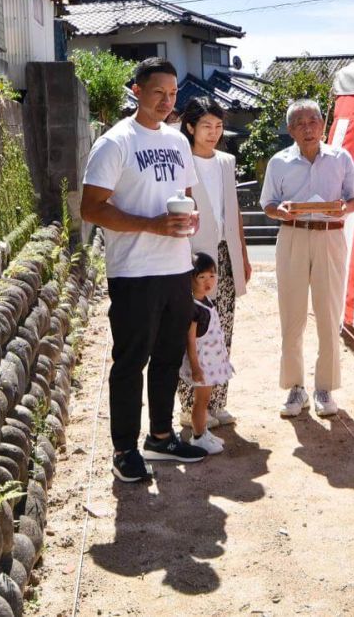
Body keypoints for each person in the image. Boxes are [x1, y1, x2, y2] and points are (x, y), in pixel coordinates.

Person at [80, 57, 210, 484]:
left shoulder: (176, 142)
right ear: (136, 91)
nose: (167, 101)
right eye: (158, 93)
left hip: (175, 267)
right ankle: (123, 448)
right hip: (134, 271)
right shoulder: (115, 142)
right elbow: (91, 208)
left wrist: (189, 223)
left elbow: (185, 196)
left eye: (173, 94)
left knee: (169, 358)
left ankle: (160, 436)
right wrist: (150, 225)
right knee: (130, 361)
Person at [261, 99, 354, 418]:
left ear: (323, 124)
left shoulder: (340, 157)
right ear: (290, 129)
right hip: (292, 234)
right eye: (300, 123)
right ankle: (295, 388)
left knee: (329, 312)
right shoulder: (279, 162)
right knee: (292, 314)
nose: (308, 128)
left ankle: (324, 388)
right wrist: (281, 211)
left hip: (331, 235)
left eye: (313, 121)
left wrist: (343, 208)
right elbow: (268, 204)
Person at [177, 97, 251, 429]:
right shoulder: (180, 162)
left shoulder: (226, 161)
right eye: (206, 126)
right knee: (193, 331)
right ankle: (190, 404)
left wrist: (243, 255)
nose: (213, 133)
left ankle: (218, 402)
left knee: (223, 330)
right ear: (190, 127)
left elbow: (233, 210)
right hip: (193, 256)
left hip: (225, 253)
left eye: (218, 126)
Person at [180, 252, 236, 455]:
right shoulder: (193, 308)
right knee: (200, 401)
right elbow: (191, 341)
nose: (208, 282)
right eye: (201, 277)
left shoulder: (207, 301)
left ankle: (203, 431)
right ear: (191, 279)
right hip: (202, 364)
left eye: (212, 276)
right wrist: (195, 367)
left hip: (211, 362)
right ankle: (198, 436)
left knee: (205, 400)